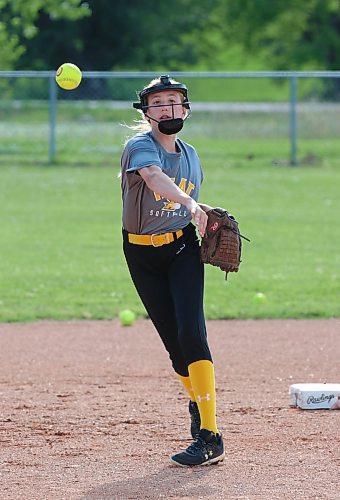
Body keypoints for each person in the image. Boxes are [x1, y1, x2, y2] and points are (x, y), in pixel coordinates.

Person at [120, 75, 224, 467]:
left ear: (186, 108)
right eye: (159, 102)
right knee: (172, 341)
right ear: (147, 113)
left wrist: (200, 210)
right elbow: (155, 179)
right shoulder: (139, 147)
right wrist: (189, 202)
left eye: (175, 100)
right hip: (141, 254)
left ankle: (211, 435)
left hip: (182, 248)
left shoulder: (192, 154)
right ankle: (198, 405)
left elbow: (187, 204)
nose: (168, 108)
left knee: (191, 332)